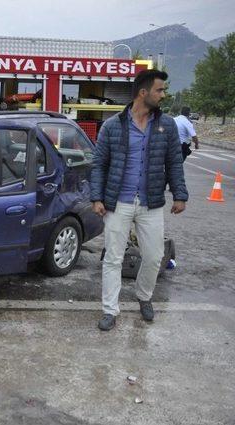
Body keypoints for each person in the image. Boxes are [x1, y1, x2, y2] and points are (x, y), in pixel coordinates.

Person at [90, 69, 188, 331]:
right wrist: (96, 197)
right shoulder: (112, 126)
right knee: (113, 258)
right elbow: (99, 164)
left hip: (150, 202)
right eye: (160, 90)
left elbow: (174, 163)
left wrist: (180, 194)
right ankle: (110, 310)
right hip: (118, 202)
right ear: (143, 93)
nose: (163, 95)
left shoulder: (166, 126)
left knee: (155, 256)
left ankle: (144, 296)